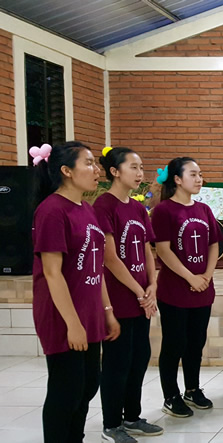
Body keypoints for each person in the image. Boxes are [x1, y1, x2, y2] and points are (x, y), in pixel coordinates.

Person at [31, 141, 120, 442]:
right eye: (89, 163)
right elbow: (52, 272)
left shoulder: (86, 208)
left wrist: (107, 312)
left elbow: (97, 265)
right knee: (66, 391)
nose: (97, 170)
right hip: (63, 316)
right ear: (66, 171)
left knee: (88, 386)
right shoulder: (51, 211)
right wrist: (72, 323)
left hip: (89, 311)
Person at [95, 147, 163, 442]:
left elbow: (148, 249)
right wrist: (139, 291)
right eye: (133, 167)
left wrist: (152, 285)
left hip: (141, 298)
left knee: (139, 357)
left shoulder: (137, 208)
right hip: (120, 298)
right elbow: (109, 258)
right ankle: (111, 424)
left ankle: (132, 416)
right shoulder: (103, 205)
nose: (140, 173)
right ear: (114, 171)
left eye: (141, 167)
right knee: (117, 363)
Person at [150, 157, 219, 418]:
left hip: (203, 288)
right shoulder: (164, 210)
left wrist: (206, 275)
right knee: (174, 344)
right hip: (175, 291)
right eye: (193, 174)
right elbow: (163, 250)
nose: (199, 179)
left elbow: (214, 244)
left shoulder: (204, 209)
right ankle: (171, 395)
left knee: (195, 343)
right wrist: (191, 277)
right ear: (177, 179)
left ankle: (192, 389)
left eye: (200, 174)